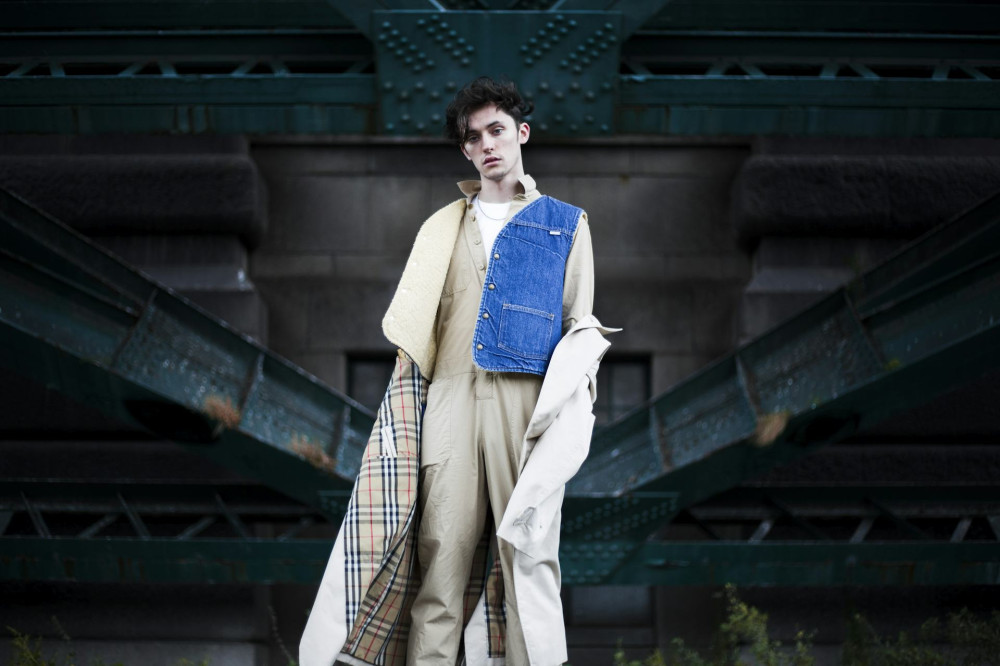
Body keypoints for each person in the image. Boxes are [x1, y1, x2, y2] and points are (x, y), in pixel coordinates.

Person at [300, 76, 601, 666]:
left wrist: (563, 424)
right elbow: (418, 335)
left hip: (525, 408)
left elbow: (578, 334)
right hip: (448, 404)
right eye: (474, 137)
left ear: (521, 133)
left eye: (497, 130)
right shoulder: (440, 227)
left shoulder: (567, 224)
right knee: (439, 561)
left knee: (528, 560)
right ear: (465, 149)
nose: (488, 144)